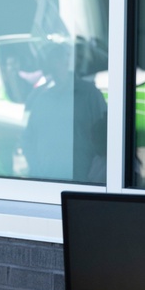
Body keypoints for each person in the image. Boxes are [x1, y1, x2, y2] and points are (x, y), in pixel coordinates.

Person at [21, 35, 107, 182]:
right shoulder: (39, 97)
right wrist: (36, 170)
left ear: (68, 62)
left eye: (60, 58)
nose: (56, 64)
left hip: (82, 182)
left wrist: (95, 177)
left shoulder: (90, 95)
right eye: (52, 60)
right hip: (46, 181)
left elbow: (105, 138)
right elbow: (28, 138)